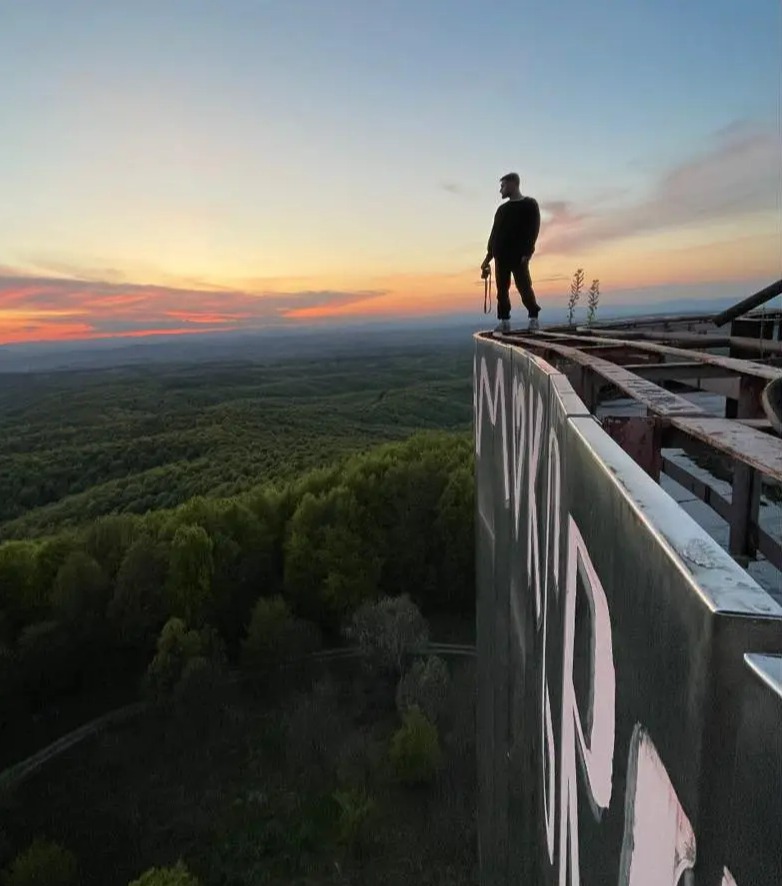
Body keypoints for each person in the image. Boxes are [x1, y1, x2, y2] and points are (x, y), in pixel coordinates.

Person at [480, 172, 542, 334]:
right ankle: (504, 320)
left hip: (519, 255)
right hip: (500, 255)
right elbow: (494, 234)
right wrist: (488, 258)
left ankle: (533, 318)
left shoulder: (529, 204)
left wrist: (527, 252)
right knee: (502, 290)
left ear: (513, 184)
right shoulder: (502, 210)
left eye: (503, 186)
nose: (501, 190)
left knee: (524, 287)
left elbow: (533, 229)